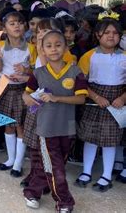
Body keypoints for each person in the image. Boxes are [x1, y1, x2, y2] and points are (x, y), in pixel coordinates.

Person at [22, 30, 87, 212]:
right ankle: (64, 202)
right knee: (55, 167)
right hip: (46, 128)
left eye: (58, 45)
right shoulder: (38, 72)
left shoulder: (76, 71)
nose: (54, 49)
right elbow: (27, 93)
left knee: (53, 165)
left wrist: (57, 98)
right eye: (48, 46)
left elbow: (81, 99)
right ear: (42, 50)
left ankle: (32, 192)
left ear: (66, 47)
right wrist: (26, 97)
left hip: (67, 128)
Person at [75, 16, 126, 192]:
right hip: (94, 101)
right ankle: (86, 171)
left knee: (110, 140)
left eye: (115, 33)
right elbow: (81, 82)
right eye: (107, 32)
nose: (111, 36)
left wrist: (123, 98)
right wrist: (96, 97)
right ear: (98, 35)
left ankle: (106, 175)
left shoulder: (125, 57)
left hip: (116, 103)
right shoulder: (89, 56)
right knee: (91, 137)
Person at [0, 8, 36, 178]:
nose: (17, 26)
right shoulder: (0, 47)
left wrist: (26, 71)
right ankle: (10, 159)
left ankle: (18, 163)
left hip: (23, 90)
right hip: (5, 88)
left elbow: (37, 70)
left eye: (19, 23)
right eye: (12, 23)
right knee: (8, 124)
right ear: (4, 28)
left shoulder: (31, 48)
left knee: (21, 126)